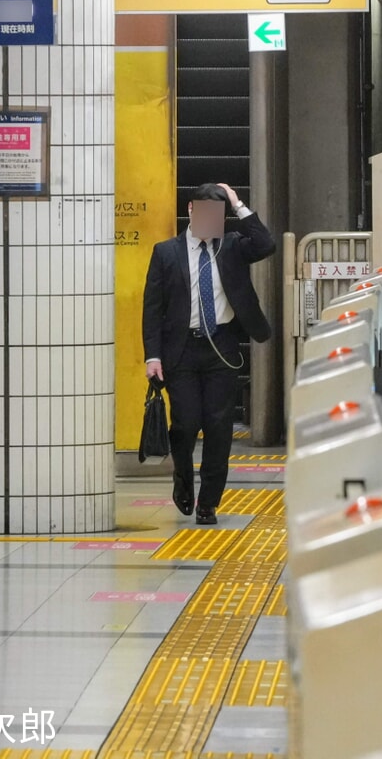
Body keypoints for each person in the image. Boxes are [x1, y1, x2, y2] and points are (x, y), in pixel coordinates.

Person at [142, 182, 275, 525]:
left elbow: (266, 244)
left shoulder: (230, 247)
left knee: (219, 428)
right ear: (190, 210)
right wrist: (152, 356)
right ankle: (183, 481)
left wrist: (237, 202)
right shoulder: (166, 252)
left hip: (222, 347)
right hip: (181, 350)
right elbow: (152, 309)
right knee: (185, 425)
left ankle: (208, 501)